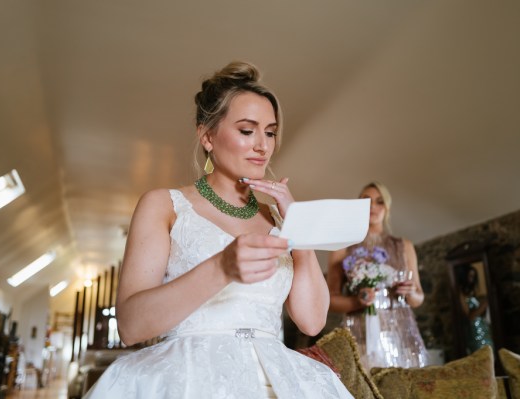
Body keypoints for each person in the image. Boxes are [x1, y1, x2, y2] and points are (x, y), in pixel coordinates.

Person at [84, 61, 352, 399]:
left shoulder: (280, 218)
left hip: (278, 376)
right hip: (187, 377)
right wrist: (222, 267)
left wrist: (299, 228)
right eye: (246, 130)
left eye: (270, 132)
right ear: (207, 136)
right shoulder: (163, 205)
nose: (263, 145)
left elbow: (312, 322)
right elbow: (131, 327)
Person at [327, 182, 428, 369]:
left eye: (379, 202)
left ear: (387, 208)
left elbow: (418, 299)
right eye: (366, 200)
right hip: (360, 337)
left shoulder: (404, 246)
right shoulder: (341, 247)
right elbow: (330, 300)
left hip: (403, 336)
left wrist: (411, 292)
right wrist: (358, 301)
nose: (372, 206)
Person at [456, 264, 494, 354]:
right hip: (474, 331)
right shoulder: (460, 293)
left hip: (483, 328)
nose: (472, 279)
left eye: (473, 276)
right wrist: (484, 305)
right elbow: (469, 316)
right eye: (470, 276)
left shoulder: (472, 293)